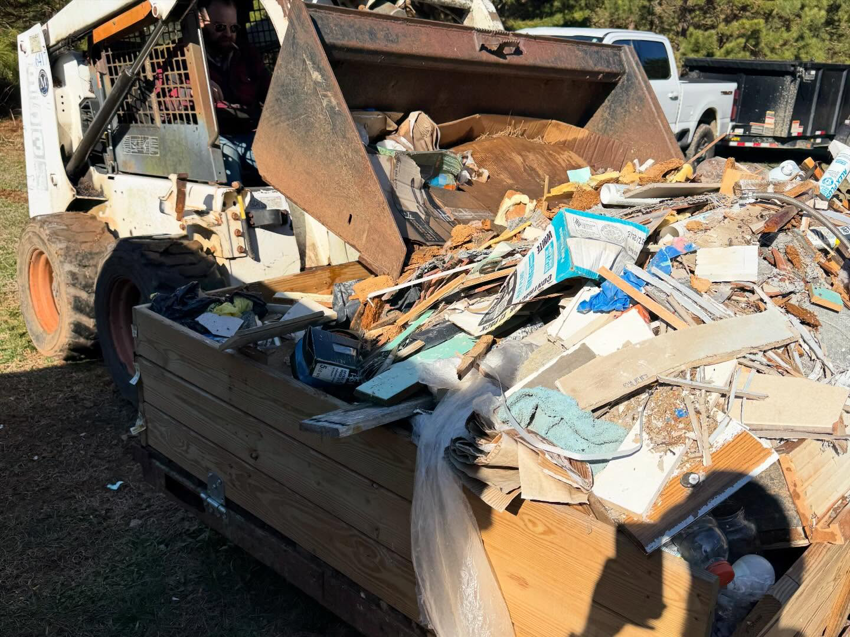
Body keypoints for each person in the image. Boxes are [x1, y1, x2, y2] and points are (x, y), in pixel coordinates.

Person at [199, 0, 271, 184]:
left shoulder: (247, 55)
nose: (228, 34)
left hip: (246, 131)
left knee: (276, 153)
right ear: (200, 22)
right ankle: (236, 209)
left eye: (233, 28)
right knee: (226, 155)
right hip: (211, 135)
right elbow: (166, 98)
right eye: (220, 27)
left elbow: (271, 91)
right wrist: (198, 87)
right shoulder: (185, 56)